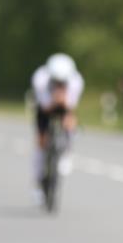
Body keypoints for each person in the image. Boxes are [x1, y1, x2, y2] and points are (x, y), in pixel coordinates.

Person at [30, 53, 84, 197]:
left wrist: (63, 102)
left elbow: (70, 106)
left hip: (64, 106)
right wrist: (55, 100)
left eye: (62, 82)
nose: (59, 85)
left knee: (70, 122)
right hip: (45, 108)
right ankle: (38, 179)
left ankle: (67, 152)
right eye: (57, 82)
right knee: (41, 142)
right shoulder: (40, 79)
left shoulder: (76, 81)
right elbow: (44, 106)